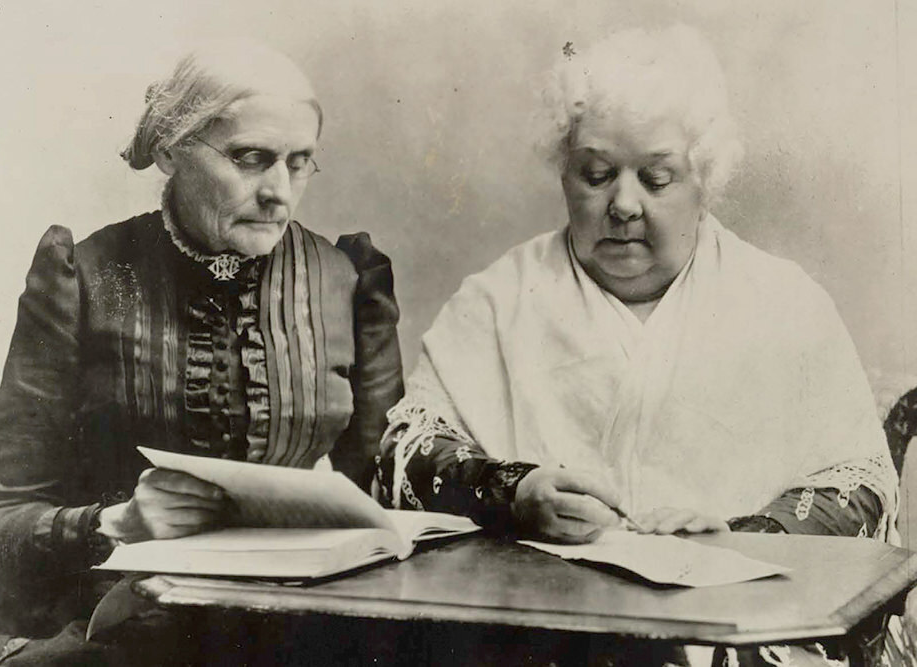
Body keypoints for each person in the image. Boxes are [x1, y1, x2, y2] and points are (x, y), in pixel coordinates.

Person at [377, 25, 898, 666]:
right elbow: (407, 450)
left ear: (704, 179)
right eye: (596, 175)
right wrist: (515, 491)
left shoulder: (785, 303)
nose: (622, 204)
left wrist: (741, 538)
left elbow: (858, 481)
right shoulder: (498, 300)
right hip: (536, 632)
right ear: (564, 173)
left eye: (656, 178)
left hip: (741, 630)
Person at [0, 43, 403, 666]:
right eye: (252, 159)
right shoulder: (85, 277)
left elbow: (386, 476)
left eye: (300, 163)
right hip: (95, 610)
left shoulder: (347, 280)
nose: (280, 193)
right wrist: (114, 523)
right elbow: (0, 516)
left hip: (278, 608)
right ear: (172, 149)